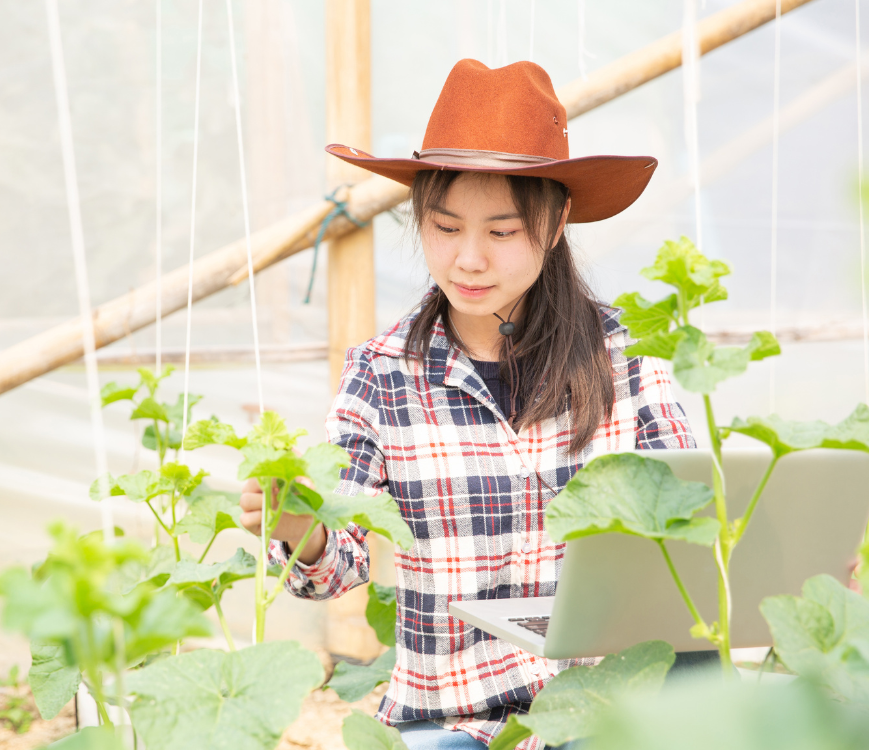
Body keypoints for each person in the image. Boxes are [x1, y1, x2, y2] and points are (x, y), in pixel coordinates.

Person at [240, 59, 696, 750]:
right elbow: (337, 567)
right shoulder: (383, 372)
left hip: (605, 711)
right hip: (451, 723)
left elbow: (694, 525)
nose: (468, 260)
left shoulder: (626, 360)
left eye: (502, 232)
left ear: (556, 220)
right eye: (445, 228)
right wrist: (302, 528)